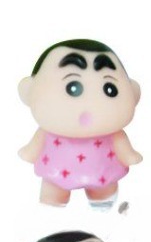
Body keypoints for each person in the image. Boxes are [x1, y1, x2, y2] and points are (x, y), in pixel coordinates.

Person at [18, 39, 142, 207]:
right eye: (73, 87)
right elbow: (35, 146)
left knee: (105, 194)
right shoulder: (46, 132)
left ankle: (103, 205)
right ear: (29, 91)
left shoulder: (115, 134)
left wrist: (129, 155)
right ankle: (52, 206)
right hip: (56, 172)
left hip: (102, 173)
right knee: (52, 192)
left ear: (133, 92)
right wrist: (29, 152)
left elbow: (123, 147)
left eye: (109, 88)